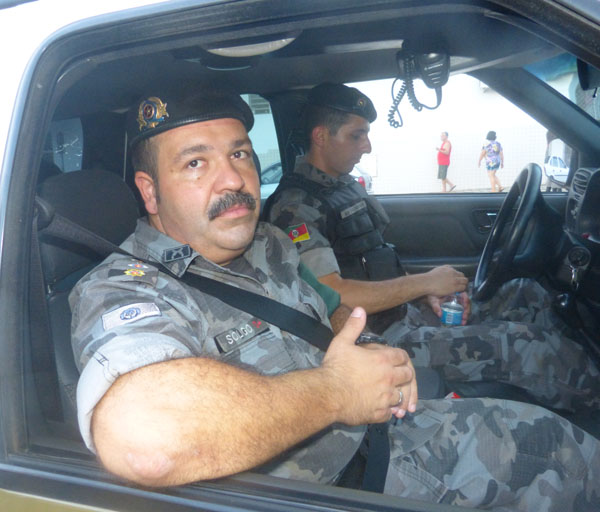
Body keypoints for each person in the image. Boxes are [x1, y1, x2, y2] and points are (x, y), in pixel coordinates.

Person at [69, 89, 600, 510]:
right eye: (194, 164)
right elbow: (145, 438)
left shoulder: (266, 243)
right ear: (149, 191)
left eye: (239, 155)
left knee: (551, 415)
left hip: (382, 426)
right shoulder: (125, 288)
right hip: (352, 484)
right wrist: (335, 389)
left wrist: (369, 347)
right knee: (565, 455)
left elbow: (327, 310)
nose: (233, 179)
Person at [263, 82, 600, 415]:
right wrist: (424, 283)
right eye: (356, 135)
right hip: (380, 341)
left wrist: (427, 295)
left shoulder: (343, 187)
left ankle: (569, 386)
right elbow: (332, 293)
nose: (367, 146)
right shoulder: (297, 207)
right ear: (321, 137)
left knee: (525, 292)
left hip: (405, 314)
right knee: (529, 345)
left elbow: (379, 259)